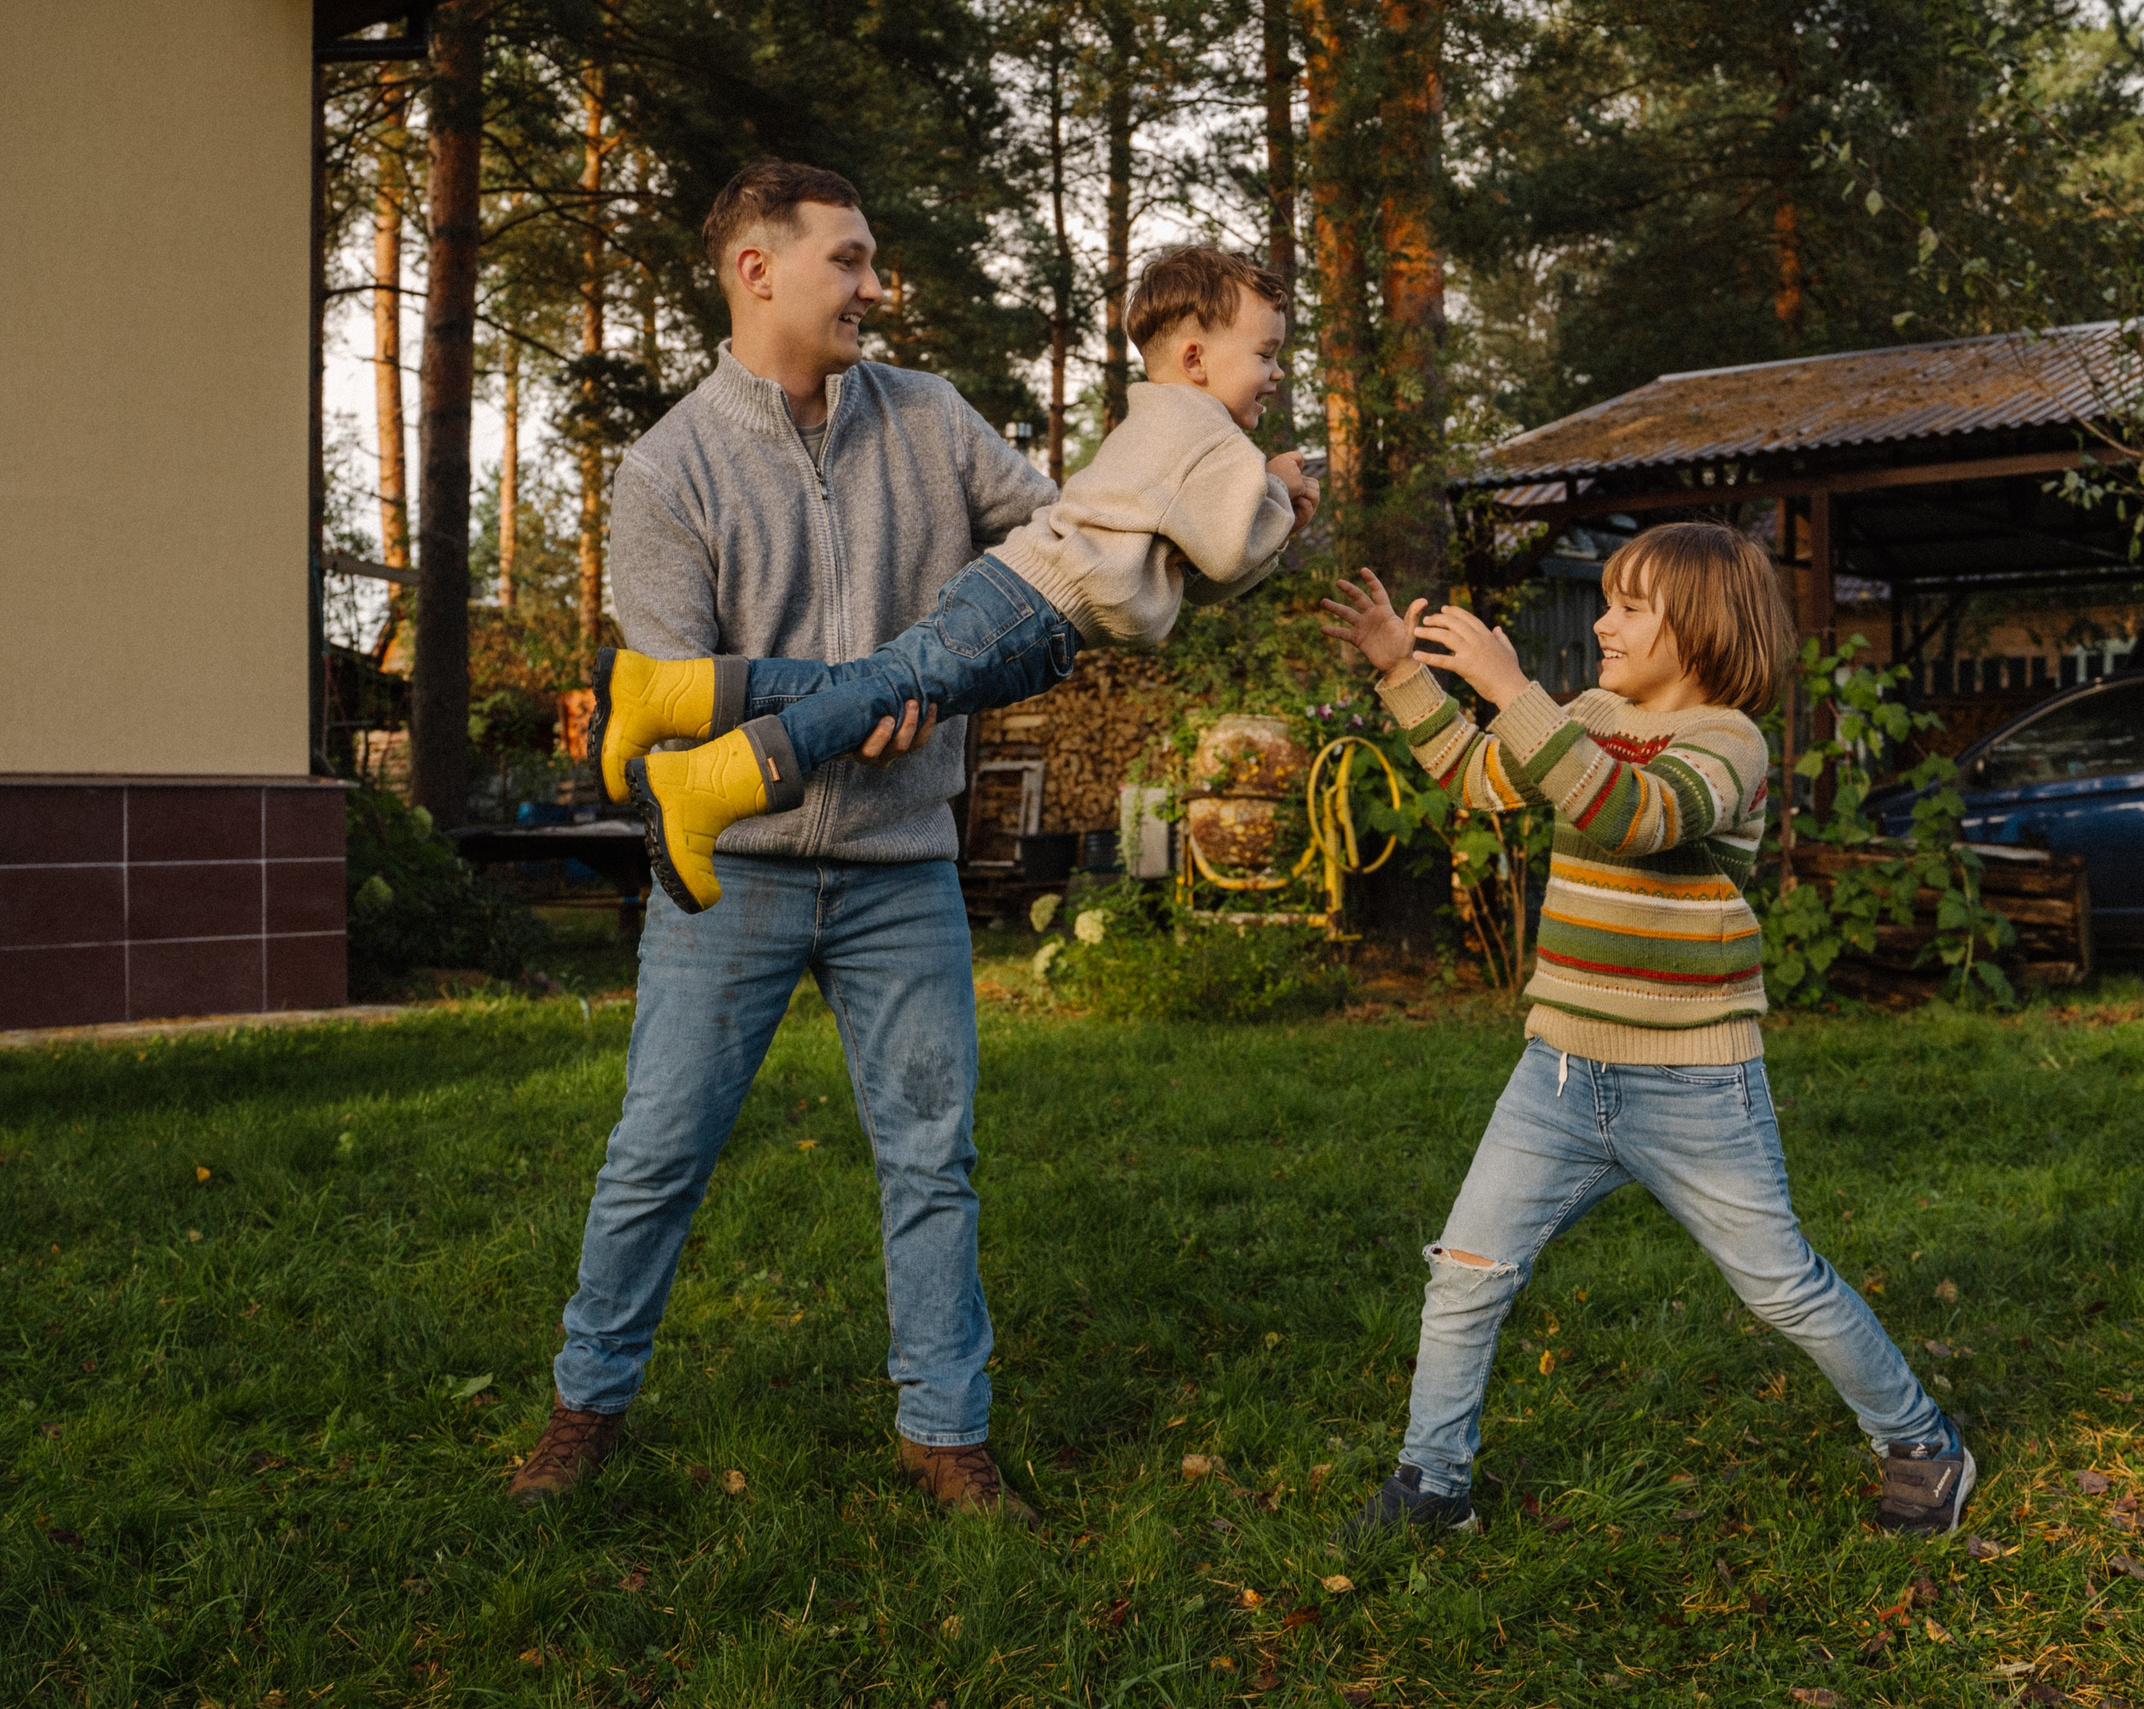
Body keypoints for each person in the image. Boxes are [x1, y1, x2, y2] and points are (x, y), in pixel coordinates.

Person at [508, 161, 1054, 1520]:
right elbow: (678, 702)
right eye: (849, 260)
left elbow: (1059, 555)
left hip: (902, 866)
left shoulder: (931, 417)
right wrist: (880, 690)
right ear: (757, 268)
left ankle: (945, 1427)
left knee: (932, 1157)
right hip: (733, 870)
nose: (875, 286)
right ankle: (586, 1405)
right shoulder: (670, 468)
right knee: (657, 1151)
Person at [1317, 525, 1978, 1542]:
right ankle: (1433, 1484)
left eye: (1629, 606)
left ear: (1701, 625)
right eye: (1606, 602)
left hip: (1693, 1084)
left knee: (1779, 1284)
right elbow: (1478, 776)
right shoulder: (1585, 715)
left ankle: (1923, 1443)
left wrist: (1511, 688)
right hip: (1558, 1073)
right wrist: (1403, 672)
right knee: (1466, 1270)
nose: (1601, 623)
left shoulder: (1729, 742)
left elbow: (1633, 814)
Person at [586, 245, 1319, 913]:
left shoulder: (1169, 421)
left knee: (870, 683)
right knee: (883, 690)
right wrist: (1276, 495)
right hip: (1032, 611)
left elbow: (1200, 574)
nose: (1277, 374)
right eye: (1265, 354)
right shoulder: (1212, 438)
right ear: (1195, 358)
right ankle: (704, 787)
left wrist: (1268, 516)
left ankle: (666, 694)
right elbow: (1227, 555)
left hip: (1021, 600)